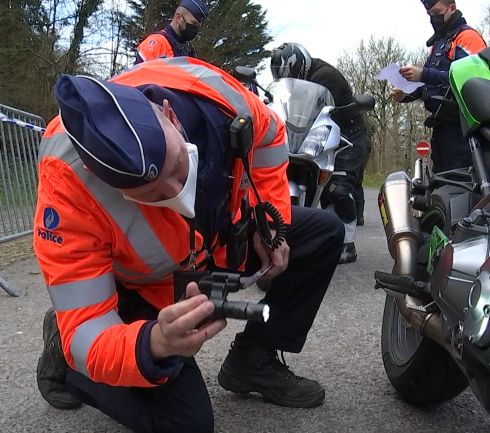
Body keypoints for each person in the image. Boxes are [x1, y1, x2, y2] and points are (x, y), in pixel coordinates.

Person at [34, 56, 345, 432]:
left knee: (324, 231)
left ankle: (253, 360)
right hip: (143, 289)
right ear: (97, 174)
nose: (178, 191)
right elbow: (88, 327)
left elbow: (270, 136)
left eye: (178, 166)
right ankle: (64, 360)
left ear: (169, 114)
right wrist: (156, 342)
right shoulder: (67, 182)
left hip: (217, 239)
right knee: (186, 424)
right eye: (150, 194)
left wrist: (267, 222)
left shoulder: (217, 91)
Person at [270, 42, 371, 264]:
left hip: (349, 135)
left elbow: (318, 107)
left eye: (290, 75)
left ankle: (347, 245)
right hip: (319, 132)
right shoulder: (299, 83)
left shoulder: (326, 76)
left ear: (300, 67)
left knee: (338, 188)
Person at [393, 0, 486, 173]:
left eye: (436, 12)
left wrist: (423, 74)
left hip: (463, 128)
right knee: (441, 181)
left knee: (460, 181)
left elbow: (472, 80)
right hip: (441, 125)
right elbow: (431, 85)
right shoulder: (440, 43)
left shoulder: (467, 37)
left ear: (452, 8)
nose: (433, 18)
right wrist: (405, 94)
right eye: (429, 14)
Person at [134, 0, 208, 64]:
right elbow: (139, 77)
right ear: (178, 18)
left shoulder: (184, 49)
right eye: (193, 23)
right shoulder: (158, 43)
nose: (195, 28)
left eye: (197, 26)